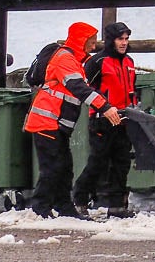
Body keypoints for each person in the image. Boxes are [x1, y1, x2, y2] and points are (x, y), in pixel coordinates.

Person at [23, 23, 122, 219]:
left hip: (55, 124)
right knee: (53, 167)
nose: (93, 47)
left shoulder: (73, 61)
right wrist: (105, 107)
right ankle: (41, 207)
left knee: (64, 167)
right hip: (46, 122)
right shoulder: (65, 59)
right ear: (81, 41)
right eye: (91, 42)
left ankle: (63, 207)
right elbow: (79, 88)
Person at [72, 22, 137, 218]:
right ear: (111, 40)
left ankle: (117, 206)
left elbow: (132, 89)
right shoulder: (97, 62)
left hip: (124, 120)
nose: (124, 43)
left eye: (126, 39)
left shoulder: (129, 62)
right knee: (97, 163)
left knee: (121, 163)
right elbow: (86, 89)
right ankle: (79, 199)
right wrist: (102, 108)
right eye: (120, 39)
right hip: (102, 119)